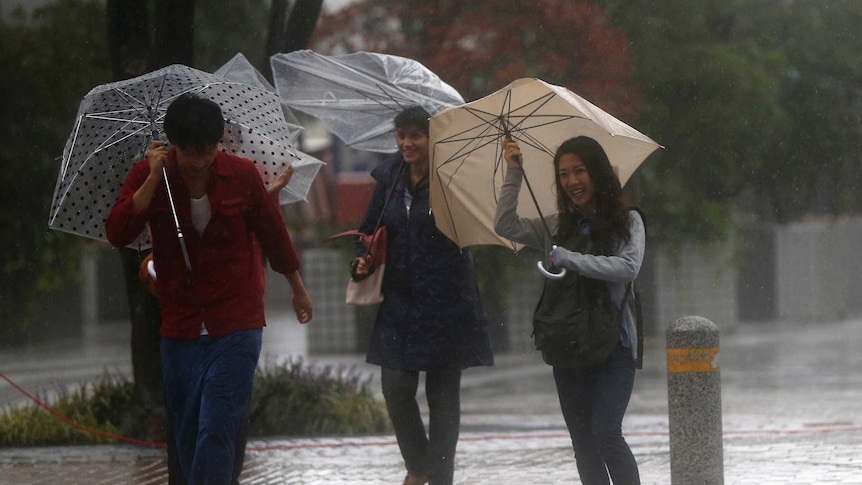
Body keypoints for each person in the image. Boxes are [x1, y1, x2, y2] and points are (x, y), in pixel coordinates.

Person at [105, 93, 313, 485]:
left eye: (208, 150)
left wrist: (297, 288)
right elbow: (119, 232)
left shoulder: (242, 174)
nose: (200, 161)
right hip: (180, 323)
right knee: (185, 430)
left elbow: (273, 235)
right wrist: (151, 178)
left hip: (237, 319)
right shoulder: (151, 176)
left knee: (219, 421)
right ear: (173, 144)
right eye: (190, 151)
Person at [352, 106, 494, 485]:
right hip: (399, 301)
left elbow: (477, 225)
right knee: (395, 389)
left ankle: (439, 478)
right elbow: (369, 232)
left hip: (447, 300)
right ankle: (419, 468)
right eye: (401, 135)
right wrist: (361, 261)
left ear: (433, 140)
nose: (406, 143)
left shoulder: (453, 179)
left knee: (443, 398)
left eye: (416, 135)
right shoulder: (389, 179)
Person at [494, 136, 644, 485]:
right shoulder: (556, 226)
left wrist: (569, 259)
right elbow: (505, 226)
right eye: (563, 174)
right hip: (568, 344)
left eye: (580, 171)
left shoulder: (628, 222)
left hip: (613, 347)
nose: (572, 181)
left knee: (606, 432)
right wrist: (514, 172)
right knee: (583, 444)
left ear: (598, 173)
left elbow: (627, 267)